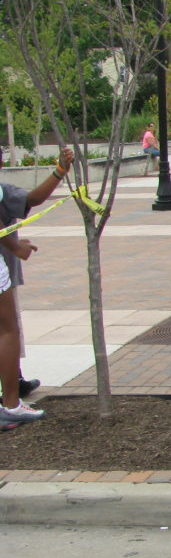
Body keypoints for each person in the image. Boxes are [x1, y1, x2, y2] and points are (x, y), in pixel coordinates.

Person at [0, 146, 76, 404]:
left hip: (6, 272)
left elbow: (31, 199)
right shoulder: (3, 193)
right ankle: (10, 400)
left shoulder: (7, 192)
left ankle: (14, 381)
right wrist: (15, 246)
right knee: (8, 330)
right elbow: (33, 198)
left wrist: (58, 172)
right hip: (3, 274)